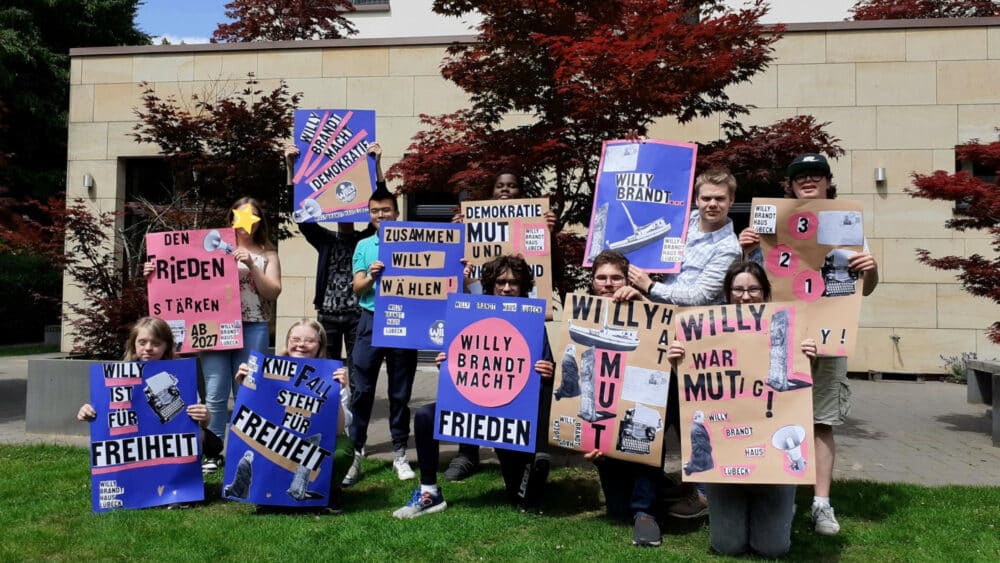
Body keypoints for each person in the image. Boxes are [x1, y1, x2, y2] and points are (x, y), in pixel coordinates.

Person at [738, 153, 878, 536]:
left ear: (828, 181)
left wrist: (871, 269)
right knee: (771, 414)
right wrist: (744, 249)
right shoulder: (770, 223)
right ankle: (773, 491)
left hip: (827, 338)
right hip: (777, 338)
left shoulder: (847, 224)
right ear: (790, 185)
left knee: (821, 421)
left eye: (816, 175)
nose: (809, 181)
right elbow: (748, 282)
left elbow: (865, 288)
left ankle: (821, 503)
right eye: (801, 177)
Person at [666, 260, 817, 557]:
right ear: (727, 293)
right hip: (727, 461)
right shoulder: (706, 333)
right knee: (728, 546)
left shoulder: (789, 328)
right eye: (737, 290)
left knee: (772, 548)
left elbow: (801, 390)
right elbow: (694, 391)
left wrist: (810, 358)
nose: (745, 296)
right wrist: (678, 363)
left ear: (765, 293)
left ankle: (781, 508)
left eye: (753, 289)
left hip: (771, 462)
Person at [393, 254, 555, 519]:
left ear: (523, 286)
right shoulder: (471, 314)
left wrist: (547, 371)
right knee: (425, 416)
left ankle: (534, 461)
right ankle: (429, 491)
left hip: (510, 415)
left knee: (522, 498)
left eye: (514, 282)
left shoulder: (531, 321)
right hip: (473, 408)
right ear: (491, 285)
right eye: (501, 282)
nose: (506, 288)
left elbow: (548, 374)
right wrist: (447, 363)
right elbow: (461, 362)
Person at [445, 170, 557, 482]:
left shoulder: (537, 223)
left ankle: (532, 448)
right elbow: (457, 281)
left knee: (539, 371)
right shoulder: (472, 223)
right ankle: (467, 452)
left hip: (524, 317)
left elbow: (546, 273)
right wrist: (456, 237)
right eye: (500, 185)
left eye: (512, 185)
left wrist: (549, 234)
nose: (506, 190)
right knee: (473, 370)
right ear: (492, 191)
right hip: (481, 310)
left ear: (521, 191)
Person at [77, 316, 223, 509]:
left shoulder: (182, 375)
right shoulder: (118, 375)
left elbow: (195, 422)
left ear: (167, 346)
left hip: (169, 440)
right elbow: (105, 410)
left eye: (156, 343)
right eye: (142, 342)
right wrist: (88, 411)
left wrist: (205, 416)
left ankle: (181, 489)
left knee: (199, 435)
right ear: (133, 344)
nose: (148, 348)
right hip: (138, 442)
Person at [580, 250, 666, 547]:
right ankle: (664, 489)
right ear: (592, 282)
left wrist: (642, 300)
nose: (608, 283)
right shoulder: (582, 313)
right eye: (601, 277)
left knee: (645, 438)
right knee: (617, 511)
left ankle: (646, 511)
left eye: (616, 277)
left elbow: (665, 329)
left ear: (627, 280)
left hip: (640, 403)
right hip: (603, 411)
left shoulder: (644, 306)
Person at [191, 197, 282, 471]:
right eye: (241, 216)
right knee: (215, 390)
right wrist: (154, 271)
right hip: (215, 327)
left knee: (247, 390)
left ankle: (245, 450)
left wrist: (252, 265)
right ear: (231, 218)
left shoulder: (268, 254)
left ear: (259, 222)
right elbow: (185, 280)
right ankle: (213, 451)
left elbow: (273, 292)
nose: (246, 223)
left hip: (254, 325)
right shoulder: (209, 247)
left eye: (252, 216)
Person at [286, 144, 380, 392]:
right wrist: (290, 169)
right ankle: (326, 407)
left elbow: (381, 210)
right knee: (324, 370)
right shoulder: (325, 240)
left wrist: (376, 165)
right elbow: (299, 215)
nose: (345, 217)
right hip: (327, 314)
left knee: (358, 368)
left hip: (357, 314)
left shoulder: (364, 239)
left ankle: (355, 410)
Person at [235, 319, 353, 514]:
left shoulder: (332, 376)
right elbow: (251, 413)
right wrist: (245, 386)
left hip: (313, 441)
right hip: (276, 439)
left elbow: (339, 429)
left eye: (309, 341)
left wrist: (336, 393)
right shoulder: (266, 371)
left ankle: (330, 492)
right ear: (287, 341)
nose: (301, 345)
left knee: (342, 451)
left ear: (320, 345)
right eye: (295, 339)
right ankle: (266, 493)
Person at [346, 184, 418, 485]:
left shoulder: (414, 241)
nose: (380, 215)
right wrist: (372, 277)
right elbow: (357, 286)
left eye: (386, 210)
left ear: (396, 213)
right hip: (371, 320)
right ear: (370, 215)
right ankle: (356, 450)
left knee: (400, 392)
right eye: (375, 211)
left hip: (405, 321)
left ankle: (400, 452)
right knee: (362, 389)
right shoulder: (364, 246)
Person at [630, 168, 741, 306]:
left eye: (720, 199)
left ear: (731, 200)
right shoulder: (682, 219)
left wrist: (650, 286)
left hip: (686, 316)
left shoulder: (730, 249)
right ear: (696, 200)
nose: (712, 204)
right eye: (706, 198)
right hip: (646, 306)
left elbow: (699, 296)